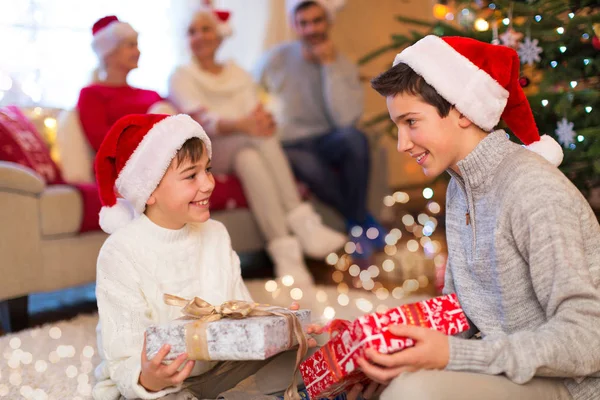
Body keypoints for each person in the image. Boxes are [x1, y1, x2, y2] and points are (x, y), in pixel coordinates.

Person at [345, 35, 600, 400]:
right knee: (396, 380)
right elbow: (461, 311)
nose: (402, 143)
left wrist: (455, 356)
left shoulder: (532, 189)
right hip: (510, 367)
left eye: (411, 122)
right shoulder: (461, 186)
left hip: (570, 385)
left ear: (462, 111)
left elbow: (590, 338)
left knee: (414, 393)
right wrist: (390, 352)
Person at [92, 113, 321, 400]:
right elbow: (120, 354)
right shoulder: (121, 251)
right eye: (191, 176)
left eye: (208, 170)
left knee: (313, 346)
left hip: (218, 372)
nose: (208, 184)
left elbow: (241, 316)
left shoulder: (215, 233)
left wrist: (279, 327)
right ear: (148, 190)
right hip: (158, 388)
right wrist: (148, 379)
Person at [168, 6, 346, 286]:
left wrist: (263, 119)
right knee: (255, 139)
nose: (199, 37)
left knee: (250, 158)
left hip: (244, 145)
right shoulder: (181, 75)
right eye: (192, 32)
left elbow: (255, 109)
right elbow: (201, 120)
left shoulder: (237, 72)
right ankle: (303, 224)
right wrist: (245, 125)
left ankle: (288, 258)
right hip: (208, 148)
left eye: (205, 29)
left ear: (219, 36)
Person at [254, 0, 387, 257]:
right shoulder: (275, 58)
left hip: (328, 138)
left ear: (328, 23)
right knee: (309, 166)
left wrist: (328, 67)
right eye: (304, 23)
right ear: (295, 26)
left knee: (355, 138)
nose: (311, 29)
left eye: (317, 21)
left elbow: (345, 119)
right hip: (290, 142)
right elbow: (252, 93)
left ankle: (355, 221)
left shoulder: (343, 65)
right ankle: (359, 221)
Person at [77, 16, 173, 153]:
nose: (138, 51)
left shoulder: (152, 95)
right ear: (109, 53)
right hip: (123, 168)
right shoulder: (92, 94)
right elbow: (102, 143)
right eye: (131, 45)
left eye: (137, 45)